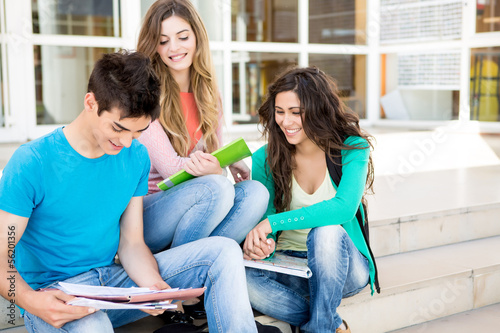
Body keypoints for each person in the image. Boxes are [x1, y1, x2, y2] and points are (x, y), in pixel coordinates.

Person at [0, 51, 262, 333]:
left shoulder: (136, 156)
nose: (126, 142)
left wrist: (153, 286)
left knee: (222, 252)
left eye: (137, 133)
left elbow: (132, 244)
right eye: (118, 128)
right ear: (91, 103)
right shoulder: (33, 162)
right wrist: (31, 301)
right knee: (93, 327)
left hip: (111, 284)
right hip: (56, 295)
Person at [242, 67, 381, 333]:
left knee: (326, 231)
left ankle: (318, 326)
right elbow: (265, 219)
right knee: (240, 277)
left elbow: (344, 208)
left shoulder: (352, 148)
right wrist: (263, 246)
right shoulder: (265, 157)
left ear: (318, 109)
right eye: (280, 112)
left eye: (296, 112)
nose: (286, 121)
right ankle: (327, 322)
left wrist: (272, 223)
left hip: (342, 267)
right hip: (288, 265)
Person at [136, 0, 268, 254]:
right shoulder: (147, 95)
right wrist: (217, 171)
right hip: (148, 213)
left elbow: (210, 162)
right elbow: (173, 170)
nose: (174, 48)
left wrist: (227, 161)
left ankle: (196, 261)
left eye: (182, 37)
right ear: (154, 46)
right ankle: (182, 270)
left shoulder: (209, 94)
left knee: (256, 192)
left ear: (197, 36)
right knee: (216, 187)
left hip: (195, 204)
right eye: (163, 41)